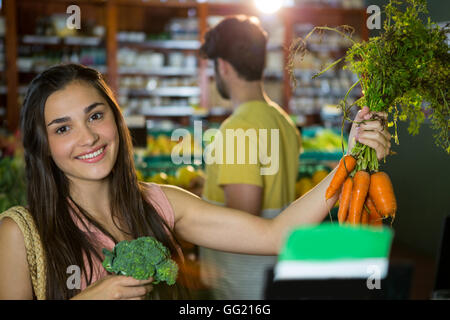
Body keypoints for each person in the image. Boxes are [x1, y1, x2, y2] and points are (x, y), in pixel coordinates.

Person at [0, 63, 391, 300]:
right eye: (63, 128)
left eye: (96, 116)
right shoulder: (20, 232)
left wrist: (350, 160)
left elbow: (274, 236)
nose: (88, 137)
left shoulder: (162, 202)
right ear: (44, 145)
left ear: (116, 121)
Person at [197, 15, 303, 299]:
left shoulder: (238, 127)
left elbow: (243, 218)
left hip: (242, 286)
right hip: (272, 276)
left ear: (223, 66)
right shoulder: (283, 121)